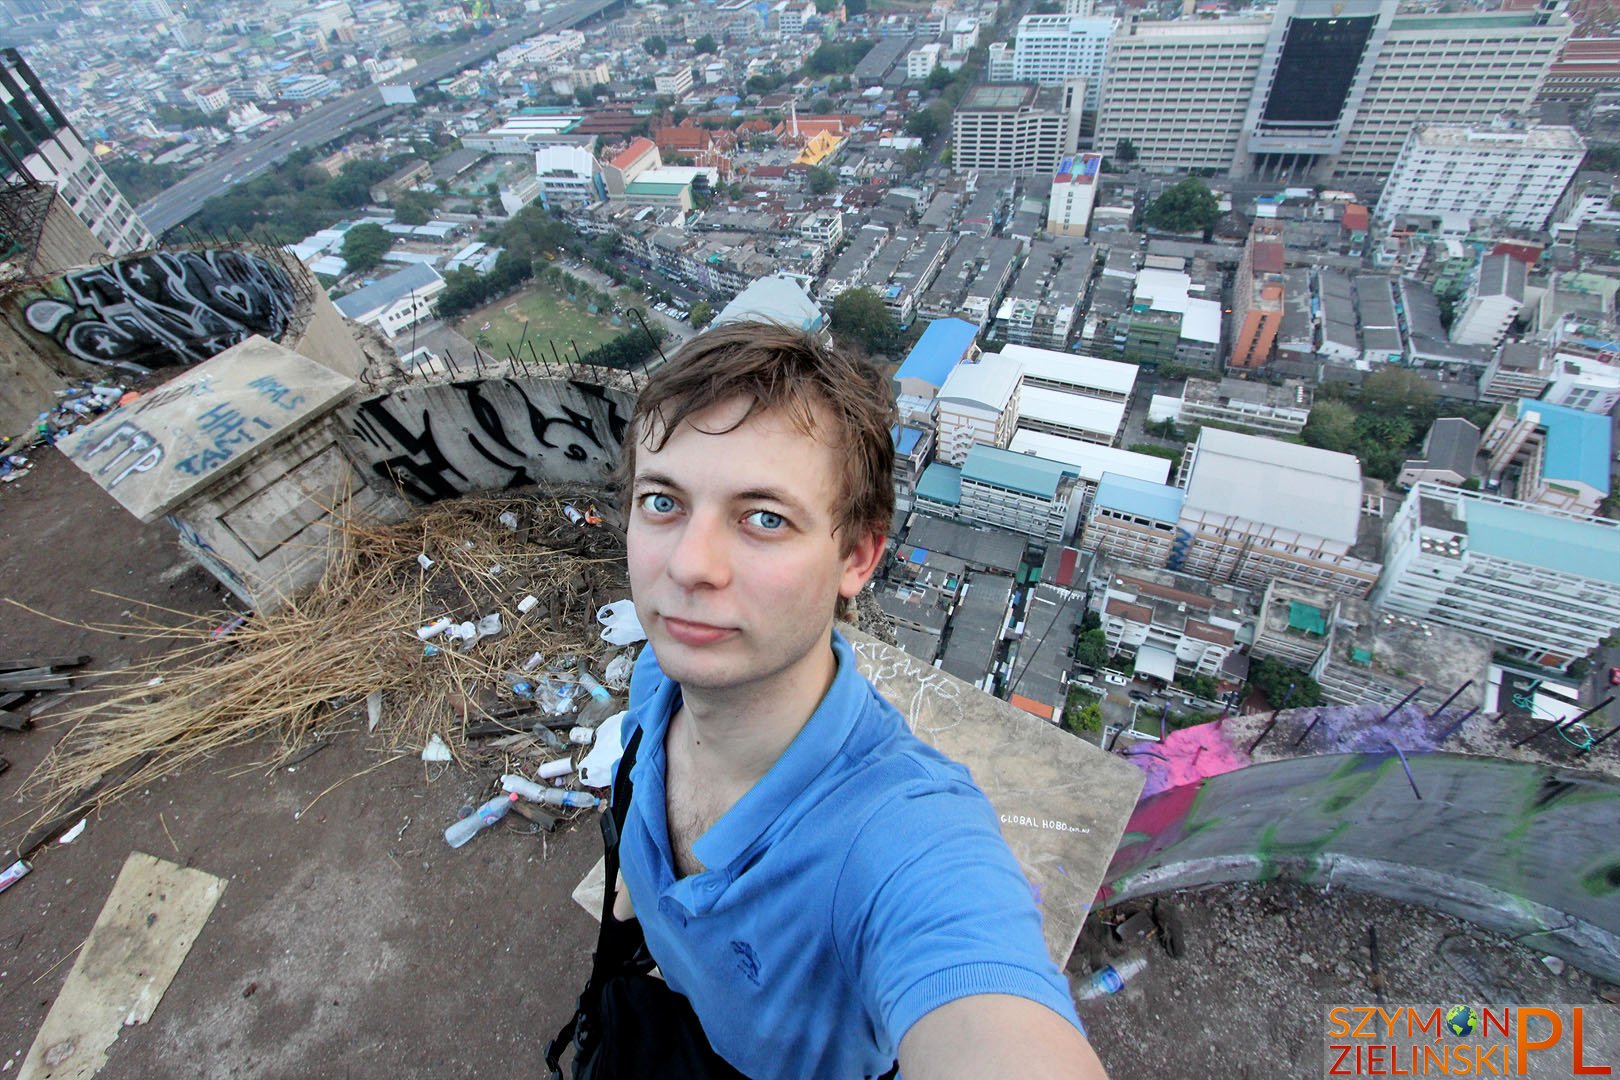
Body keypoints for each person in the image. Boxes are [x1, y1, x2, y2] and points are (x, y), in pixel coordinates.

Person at [610, 321, 1108, 1079]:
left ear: (858, 556)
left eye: (765, 518)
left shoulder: (898, 835)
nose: (689, 565)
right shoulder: (661, 676)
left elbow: (982, 998)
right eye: (662, 501)